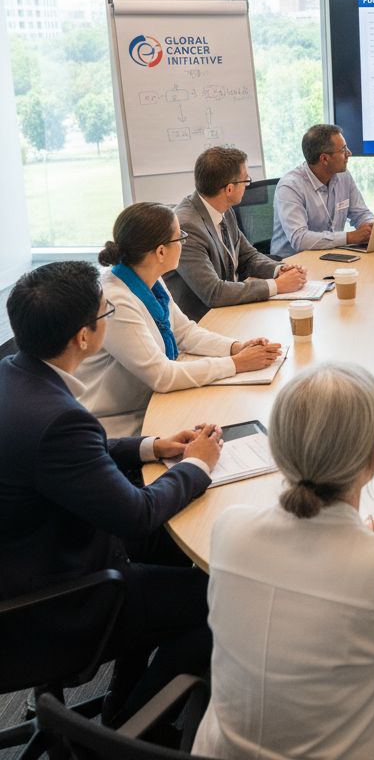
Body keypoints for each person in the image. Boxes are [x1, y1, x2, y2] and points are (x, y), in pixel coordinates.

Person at [193, 362, 374, 760]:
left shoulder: (229, 529)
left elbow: (311, 565)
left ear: (278, 449)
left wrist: (362, 535)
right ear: (373, 457)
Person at [0, 262, 223, 726]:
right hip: (57, 595)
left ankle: (121, 694)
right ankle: (131, 726)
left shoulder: (16, 375)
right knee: (220, 599)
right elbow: (138, 515)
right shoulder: (58, 419)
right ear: (84, 337)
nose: (110, 317)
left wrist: (153, 446)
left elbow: (72, 452)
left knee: (177, 552)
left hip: (33, 547)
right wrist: (199, 463)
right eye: (105, 313)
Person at [77, 203, 281, 436]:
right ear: (161, 252)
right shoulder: (116, 301)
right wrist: (237, 363)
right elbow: (162, 376)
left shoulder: (149, 276)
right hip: (121, 425)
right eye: (180, 237)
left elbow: (184, 333)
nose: (184, 243)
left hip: (153, 403)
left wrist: (235, 348)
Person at [165, 146, 307, 321]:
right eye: (245, 181)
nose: (248, 186)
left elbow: (248, 256)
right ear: (229, 189)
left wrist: (279, 270)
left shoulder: (223, 208)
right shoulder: (187, 226)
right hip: (203, 321)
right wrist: (276, 285)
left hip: (230, 309)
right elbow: (213, 293)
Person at [271, 124, 374, 256]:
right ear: (324, 158)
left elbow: (360, 213)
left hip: (331, 255)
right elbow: (300, 239)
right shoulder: (290, 187)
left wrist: (371, 226)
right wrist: (349, 237)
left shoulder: (343, 176)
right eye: (343, 150)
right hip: (292, 263)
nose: (349, 153)